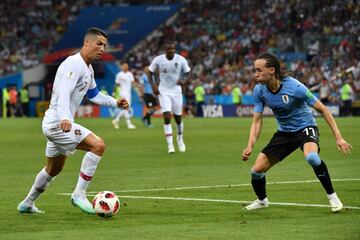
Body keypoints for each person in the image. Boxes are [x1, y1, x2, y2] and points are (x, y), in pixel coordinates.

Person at [17, 27, 129, 214]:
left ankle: (27, 203)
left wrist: (115, 103)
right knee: (98, 145)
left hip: (56, 124)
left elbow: (94, 95)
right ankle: (79, 194)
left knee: (53, 169)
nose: (102, 49)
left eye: (105, 46)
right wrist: (66, 118)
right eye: (99, 44)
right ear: (87, 43)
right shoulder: (73, 64)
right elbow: (63, 92)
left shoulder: (88, 69)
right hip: (57, 123)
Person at [242, 53, 352, 212]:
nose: (256, 74)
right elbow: (257, 121)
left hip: (305, 128)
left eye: (259, 70)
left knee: (312, 158)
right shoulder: (259, 91)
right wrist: (250, 145)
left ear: (272, 70)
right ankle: (262, 200)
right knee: (256, 171)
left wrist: (339, 138)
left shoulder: (295, 87)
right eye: (255, 70)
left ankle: (333, 197)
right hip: (284, 133)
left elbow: (323, 109)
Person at [146, 41, 192, 153]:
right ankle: (170, 145)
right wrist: (153, 86)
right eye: (169, 49)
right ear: (165, 50)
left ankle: (180, 138)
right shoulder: (159, 59)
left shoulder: (181, 59)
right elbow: (149, 72)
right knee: (167, 116)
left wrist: (184, 81)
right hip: (163, 91)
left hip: (176, 90)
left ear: (175, 50)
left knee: (178, 118)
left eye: (173, 49)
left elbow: (188, 72)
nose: (171, 51)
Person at [112, 62, 136, 129]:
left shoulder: (130, 74)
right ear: (122, 67)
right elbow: (116, 84)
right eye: (125, 66)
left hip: (129, 93)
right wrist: (113, 93)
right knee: (126, 108)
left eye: (127, 66)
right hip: (122, 93)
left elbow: (133, 82)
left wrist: (138, 86)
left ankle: (116, 120)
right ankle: (129, 124)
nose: (126, 67)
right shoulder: (119, 75)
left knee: (125, 108)